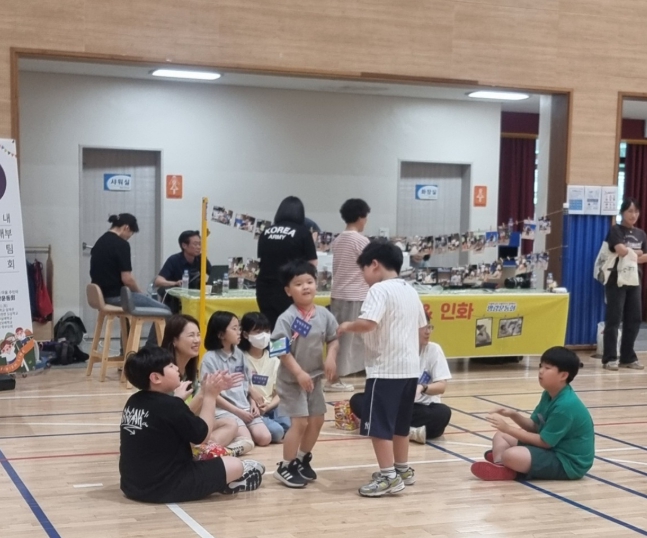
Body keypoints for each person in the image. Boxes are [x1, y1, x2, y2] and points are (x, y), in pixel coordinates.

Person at [338, 238, 427, 497]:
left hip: (385, 369)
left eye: (363, 269)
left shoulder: (379, 290)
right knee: (400, 425)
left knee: (379, 426)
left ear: (374, 264)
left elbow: (368, 323)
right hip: (410, 370)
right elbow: (422, 329)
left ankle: (388, 477)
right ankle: (402, 469)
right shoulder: (410, 290)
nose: (363, 276)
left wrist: (346, 326)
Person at [119, 345, 264, 503]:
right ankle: (228, 482)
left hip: (132, 486)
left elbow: (169, 419)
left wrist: (178, 400)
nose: (176, 368)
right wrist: (210, 396)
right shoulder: (170, 406)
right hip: (166, 486)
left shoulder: (133, 401)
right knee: (235, 465)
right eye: (171, 366)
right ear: (156, 378)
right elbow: (202, 436)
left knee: (222, 429)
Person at [471, 346, 594, 481]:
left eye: (547, 368)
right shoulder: (549, 394)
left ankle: (509, 464)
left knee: (510, 454)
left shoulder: (566, 405)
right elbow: (534, 426)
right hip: (552, 450)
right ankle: (501, 466)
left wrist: (508, 428)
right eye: (541, 366)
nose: (541, 371)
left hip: (568, 463)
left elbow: (544, 442)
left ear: (563, 375)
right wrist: (513, 414)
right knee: (501, 435)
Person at [271, 260, 339, 488]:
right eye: (298, 284)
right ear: (288, 290)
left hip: (314, 379)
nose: (305, 287)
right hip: (292, 380)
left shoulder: (324, 315)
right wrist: (299, 373)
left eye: (309, 281)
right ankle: (285, 466)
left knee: (317, 420)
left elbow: (334, 338)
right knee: (299, 423)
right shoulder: (286, 318)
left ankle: (301, 459)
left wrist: (331, 357)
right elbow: (280, 350)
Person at [349, 312, 452, 443]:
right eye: (423, 327)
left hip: (421, 407)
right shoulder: (396, 350)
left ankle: (391, 429)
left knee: (443, 413)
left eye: (429, 327)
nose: (427, 332)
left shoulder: (434, 350)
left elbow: (441, 386)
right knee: (358, 400)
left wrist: (422, 387)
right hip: (396, 405)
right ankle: (409, 432)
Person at [161, 314, 238, 448]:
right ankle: (205, 449)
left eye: (198, 335)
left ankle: (204, 449)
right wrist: (205, 393)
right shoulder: (165, 372)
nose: (197, 340)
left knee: (230, 424)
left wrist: (214, 389)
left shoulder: (190, 371)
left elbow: (196, 416)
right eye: (191, 335)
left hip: (186, 428)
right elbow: (174, 418)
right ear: (174, 340)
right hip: (168, 433)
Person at [90, 214, 170, 342]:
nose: (128, 238)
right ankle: (155, 348)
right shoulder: (121, 244)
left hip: (102, 296)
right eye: (130, 234)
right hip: (116, 297)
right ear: (126, 228)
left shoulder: (100, 242)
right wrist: (140, 293)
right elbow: (127, 279)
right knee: (165, 310)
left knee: (133, 308)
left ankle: (127, 350)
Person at [201, 311, 272, 452]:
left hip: (244, 407)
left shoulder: (239, 354)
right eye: (234, 329)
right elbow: (211, 394)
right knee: (246, 441)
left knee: (265, 438)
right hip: (225, 410)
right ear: (221, 335)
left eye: (239, 328)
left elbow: (247, 384)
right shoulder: (209, 359)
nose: (239, 332)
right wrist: (237, 412)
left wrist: (252, 404)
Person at [326, 198, 371, 392]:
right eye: (366, 217)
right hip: (355, 295)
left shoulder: (338, 240)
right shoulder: (361, 241)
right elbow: (370, 266)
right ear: (361, 217)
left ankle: (334, 378)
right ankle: (333, 380)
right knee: (350, 340)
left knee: (339, 338)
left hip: (338, 293)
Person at [256, 196, 318, 329]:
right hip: (289, 289)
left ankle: (277, 344)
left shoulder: (266, 232)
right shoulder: (303, 232)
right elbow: (312, 265)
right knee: (299, 329)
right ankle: (297, 344)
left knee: (272, 328)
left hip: (264, 288)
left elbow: (262, 260)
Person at [602, 197, 647, 371]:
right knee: (614, 319)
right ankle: (610, 358)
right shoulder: (616, 230)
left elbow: (644, 257)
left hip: (634, 280)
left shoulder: (641, 234)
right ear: (622, 212)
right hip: (616, 279)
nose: (633, 215)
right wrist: (637, 252)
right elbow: (620, 251)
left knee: (634, 319)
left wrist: (633, 253)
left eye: (636, 211)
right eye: (630, 211)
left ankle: (628, 357)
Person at [239, 311, 291, 443]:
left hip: (271, 406)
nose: (263, 335)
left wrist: (268, 407)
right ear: (245, 334)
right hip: (251, 407)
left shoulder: (274, 359)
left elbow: (280, 392)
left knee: (290, 426)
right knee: (277, 432)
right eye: (257, 332)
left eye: (266, 331)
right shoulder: (240, 358)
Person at [155, 230, 212, 312]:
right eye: (195, 244)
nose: (199, 247)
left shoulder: (201, 259)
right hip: (175, 299)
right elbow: (158, 281)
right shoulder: (174, 260)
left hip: (194, 296)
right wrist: (175, 283)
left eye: (200, 244)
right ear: (184, 245)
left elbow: (213, 274)